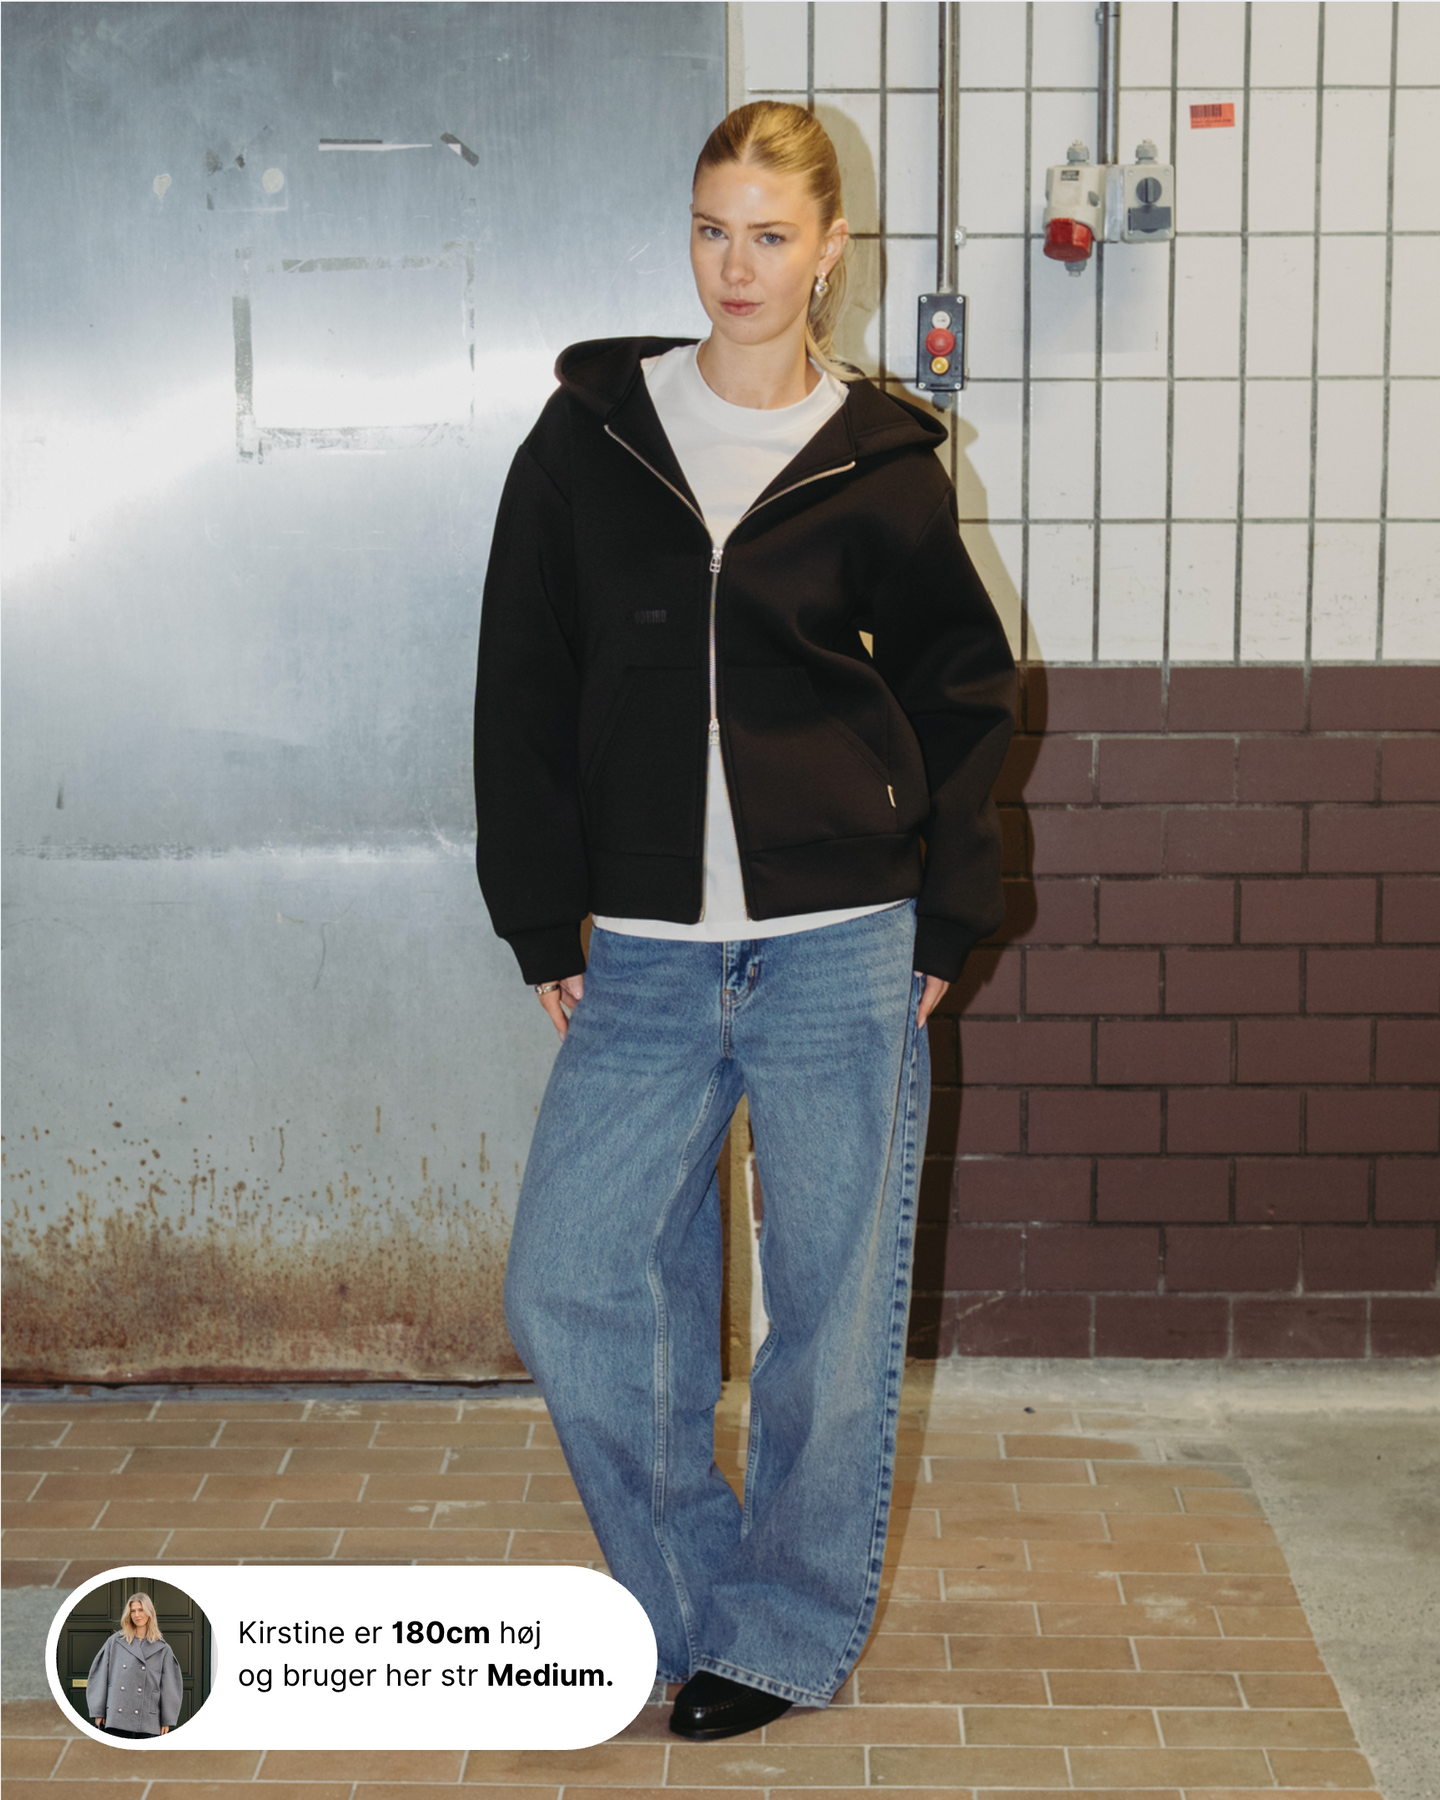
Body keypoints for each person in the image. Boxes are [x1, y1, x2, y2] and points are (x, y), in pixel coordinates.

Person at [474, 101, 1014, 1741]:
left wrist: (948, 919)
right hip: (645, 951)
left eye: (771, 236)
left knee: (830, 1321)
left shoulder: (884, 462)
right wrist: (541, 912)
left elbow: (966, 695)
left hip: (844, 941)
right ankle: (687, 1605)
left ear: (829, 250)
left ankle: (780, 1640)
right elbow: (522, 680)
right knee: (570, 1278)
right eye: (714, 229)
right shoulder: (594, 436)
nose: (737, 265)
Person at [87, 1591, 183, 1738]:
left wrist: (167, 1719)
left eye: (141, 1610)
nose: (137, 1615)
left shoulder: (163, 1648)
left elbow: (170, 1686)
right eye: (133, 1611)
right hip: (117, 1712)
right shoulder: (115, 1642)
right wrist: (98, 1711)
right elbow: (99, 1676)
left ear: (149, 1613)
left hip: (148, 1715)